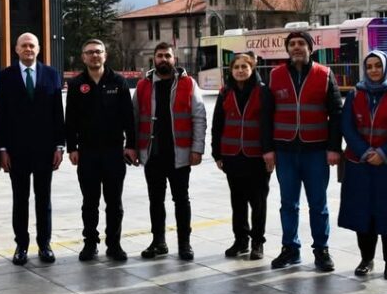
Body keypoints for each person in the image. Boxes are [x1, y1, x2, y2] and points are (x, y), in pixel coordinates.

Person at [338, 51, 387, 280]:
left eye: (377, 66)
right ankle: (367, 259)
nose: (373, 70)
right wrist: (364, 152)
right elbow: (347, 126)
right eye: (369, 66)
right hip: (360, 165)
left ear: (385, 68)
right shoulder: (355, 95)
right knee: (364, 215)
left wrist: (383, 153)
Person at [269, 30, 343, 272]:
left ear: (310, 48)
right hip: (285, 151)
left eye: (302, 43)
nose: (297, 47)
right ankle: (290, 248)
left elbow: (337, 114)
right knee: (288, 203)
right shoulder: (275, 75)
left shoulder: (325, 74)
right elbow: (266, 116)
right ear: (287, 49)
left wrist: (334, 148)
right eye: (292, 44)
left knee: (318, 204)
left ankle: (321, 250)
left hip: (316, 151)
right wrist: (268, 149)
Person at [0, 32, 65, 265]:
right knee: (20, 200)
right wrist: (2, 149)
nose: (28, 49)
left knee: (44, 200)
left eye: (32, 45)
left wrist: (59, 146)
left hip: (45, 151)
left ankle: (44, 245)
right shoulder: (5, 77)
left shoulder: (52, 75)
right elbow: (1, 116)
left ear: (39, 48)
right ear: (16, 49)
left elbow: (57, 114)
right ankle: (21, 246)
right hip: (17, 152)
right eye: (23, 45)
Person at [133, 42, 208, 260]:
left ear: (174, 59)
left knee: (181, 200)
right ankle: (158, 242)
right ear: (153, 59)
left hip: (179, 153)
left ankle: (184, 244)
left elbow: (199, 117)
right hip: (152, 153)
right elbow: (134, 117)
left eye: (167, 56)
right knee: (155, 201)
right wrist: (134, 148)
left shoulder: (188, 83)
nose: (163, 59)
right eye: (159, 56)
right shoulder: (143, 86)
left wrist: (197, 149)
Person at [65, 38, 137, 262]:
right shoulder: (77, 84)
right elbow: (71, 120)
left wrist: (131, 145)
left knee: (114, 202)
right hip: (87, 153)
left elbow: (129, 117)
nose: (94, 56)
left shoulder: (118, 82)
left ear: (105, 55)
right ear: (83, 57)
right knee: (90, 202)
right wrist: (72, 148)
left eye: (98, 52)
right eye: (90, 52)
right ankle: (90, 243)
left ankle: (114, 244)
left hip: (114, 151)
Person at [211, 51, 275, 261]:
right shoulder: (225, 92)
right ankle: (241, 241)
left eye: (244, 67)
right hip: (232, 155)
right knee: (237, 202)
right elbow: (217, 125)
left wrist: (269, 153)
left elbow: (269, 124)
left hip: (257, 156)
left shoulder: (263, 91)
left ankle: (257, 242)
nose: (240, 71)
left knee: (258, 202)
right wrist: (217, 153)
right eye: (236, 67)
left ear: (252, 68)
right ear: (231, 70)